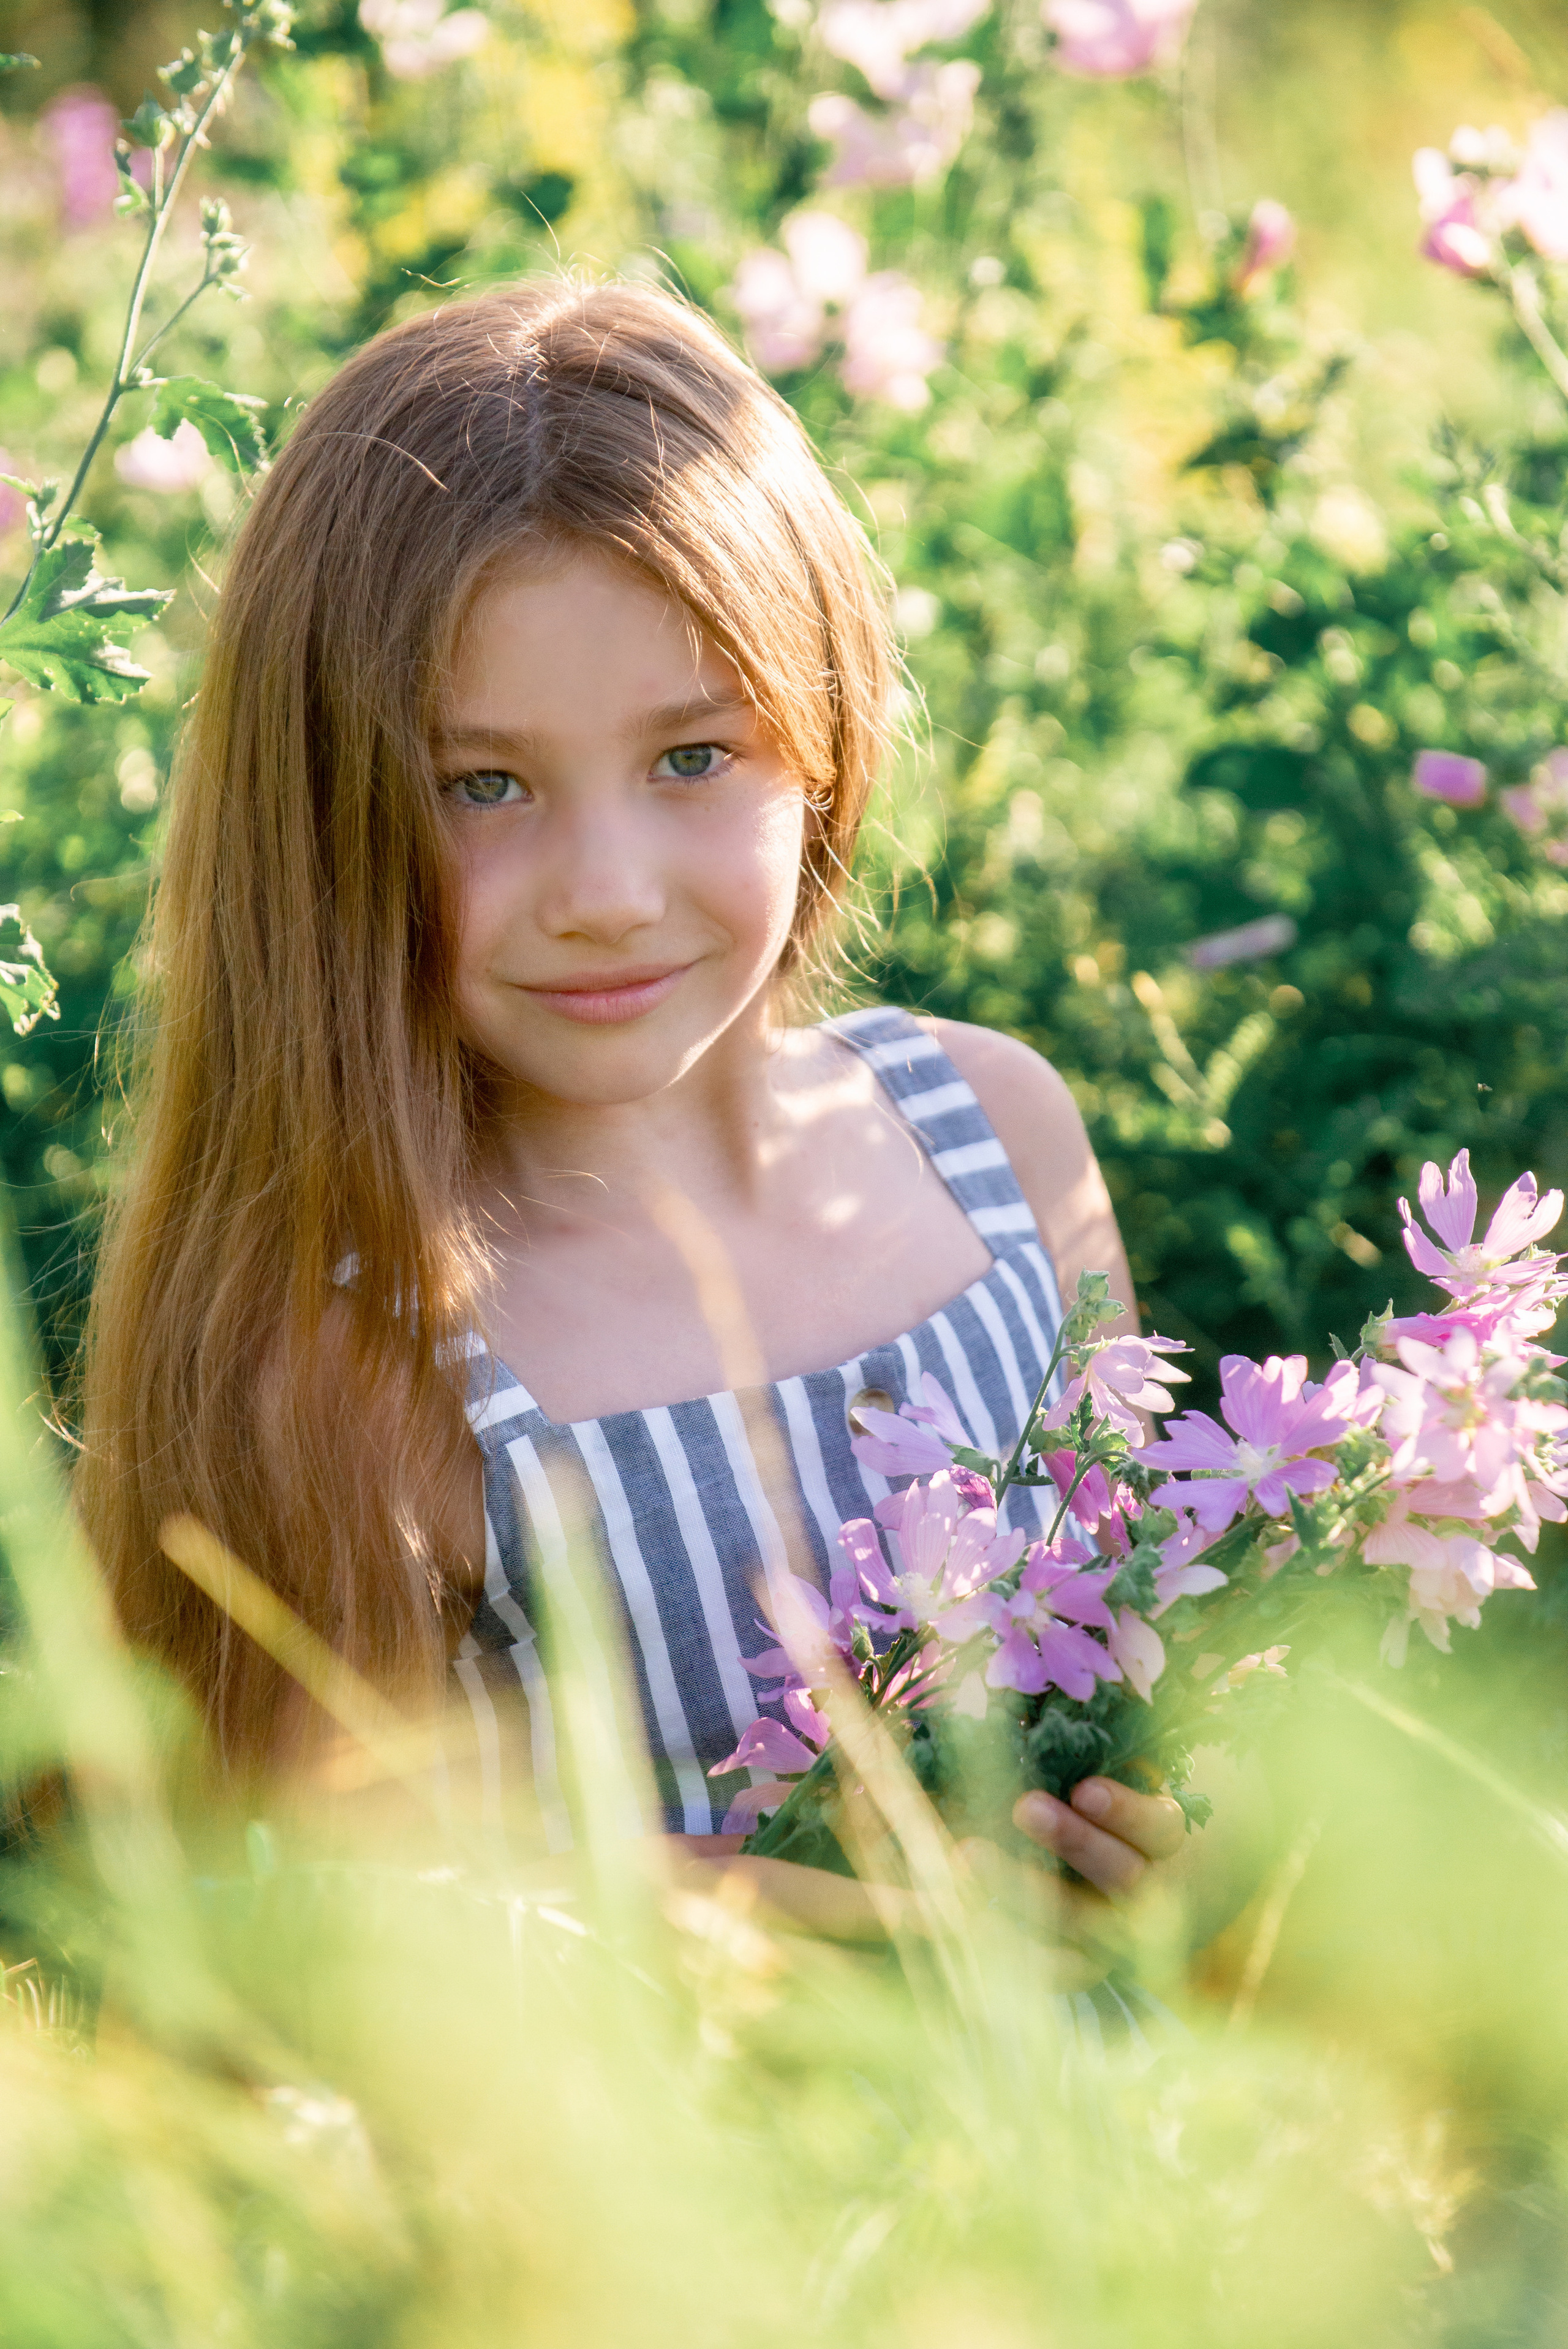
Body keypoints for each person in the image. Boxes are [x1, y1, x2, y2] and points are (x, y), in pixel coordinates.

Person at [77, 276, 1208, 1962]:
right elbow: (318, 1918)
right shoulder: (360, 1341)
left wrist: (1178, 1825)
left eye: (692, 757)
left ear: (822, 732)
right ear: (329, 821)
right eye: (484, 787)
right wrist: (837, 1912)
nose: (606, 894)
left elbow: (1146, 1646)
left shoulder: (994, 1133)